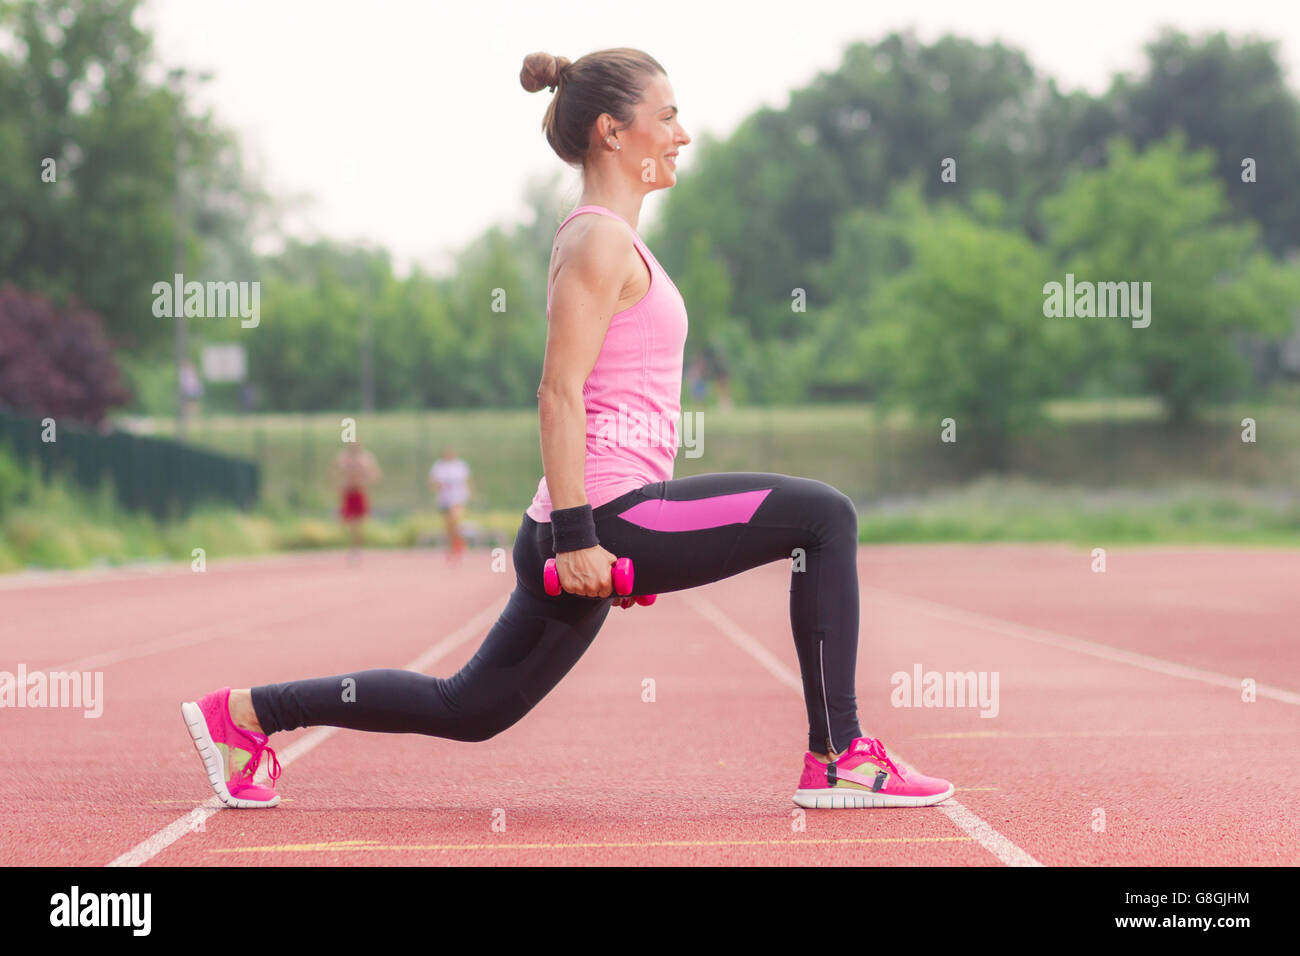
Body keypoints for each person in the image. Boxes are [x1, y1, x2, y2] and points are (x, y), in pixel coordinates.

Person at [180, 48, 953, 811]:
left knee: (470, 708)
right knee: (825, 517)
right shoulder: (598, 240)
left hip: (592, 512)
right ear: (614, 132)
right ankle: (840, 756)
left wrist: (583, 528)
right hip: (605, 513)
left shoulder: (606, 236)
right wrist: (583, 535)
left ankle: (246, 715)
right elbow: (557, 392)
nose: (682, 135)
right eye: (669, 117)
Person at [329, 440, 381, 563]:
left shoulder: (366, 458)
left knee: (359, 522)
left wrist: (365, 481)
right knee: (348, 521)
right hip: (348, 492)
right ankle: (352, 546)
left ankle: (356, 549)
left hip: (359, 492)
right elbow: (333, 470)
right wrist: (338, 483)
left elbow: (376, 474)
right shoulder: (343, 458)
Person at [429, 446, 473, 563]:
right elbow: (433, 482)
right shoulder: (439, 466)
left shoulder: (460, 466)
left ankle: (458, 544)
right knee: (448, 526)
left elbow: (468, 480)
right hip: (444, 500)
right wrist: (438, 485)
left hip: (458, 499)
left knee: (455, 520)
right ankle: (453, 546)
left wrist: (469, 493)